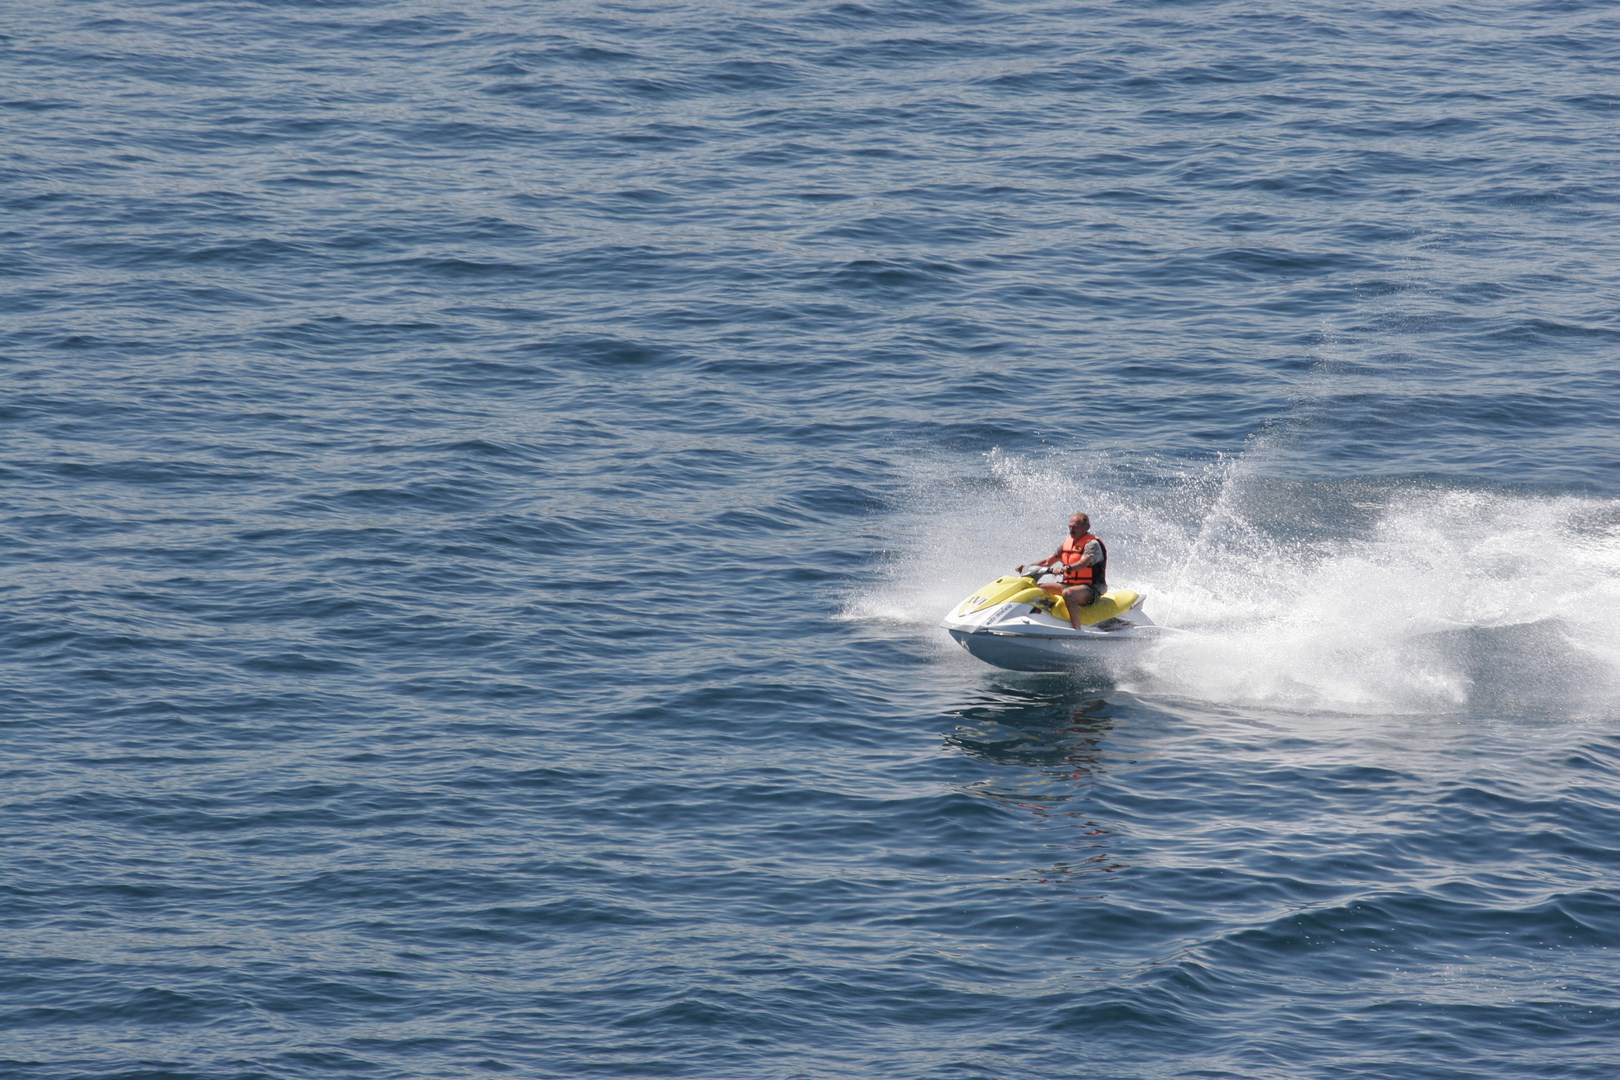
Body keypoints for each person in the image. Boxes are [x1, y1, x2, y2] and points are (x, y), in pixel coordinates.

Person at [1017, 513, 1108, 629]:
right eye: (1070, 526)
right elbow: (1047, 562)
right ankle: (1038, 621)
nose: (1071, 530)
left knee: (1069, 593)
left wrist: (1068, 568)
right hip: (1068, 584)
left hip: (1090, 589)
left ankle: (1077, 630)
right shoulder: (1067, 544)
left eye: (1075, 527)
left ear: (1086, 527)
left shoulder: (1092, 544)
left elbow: (1083, 563)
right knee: (1037, 588)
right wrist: (1027, 567)